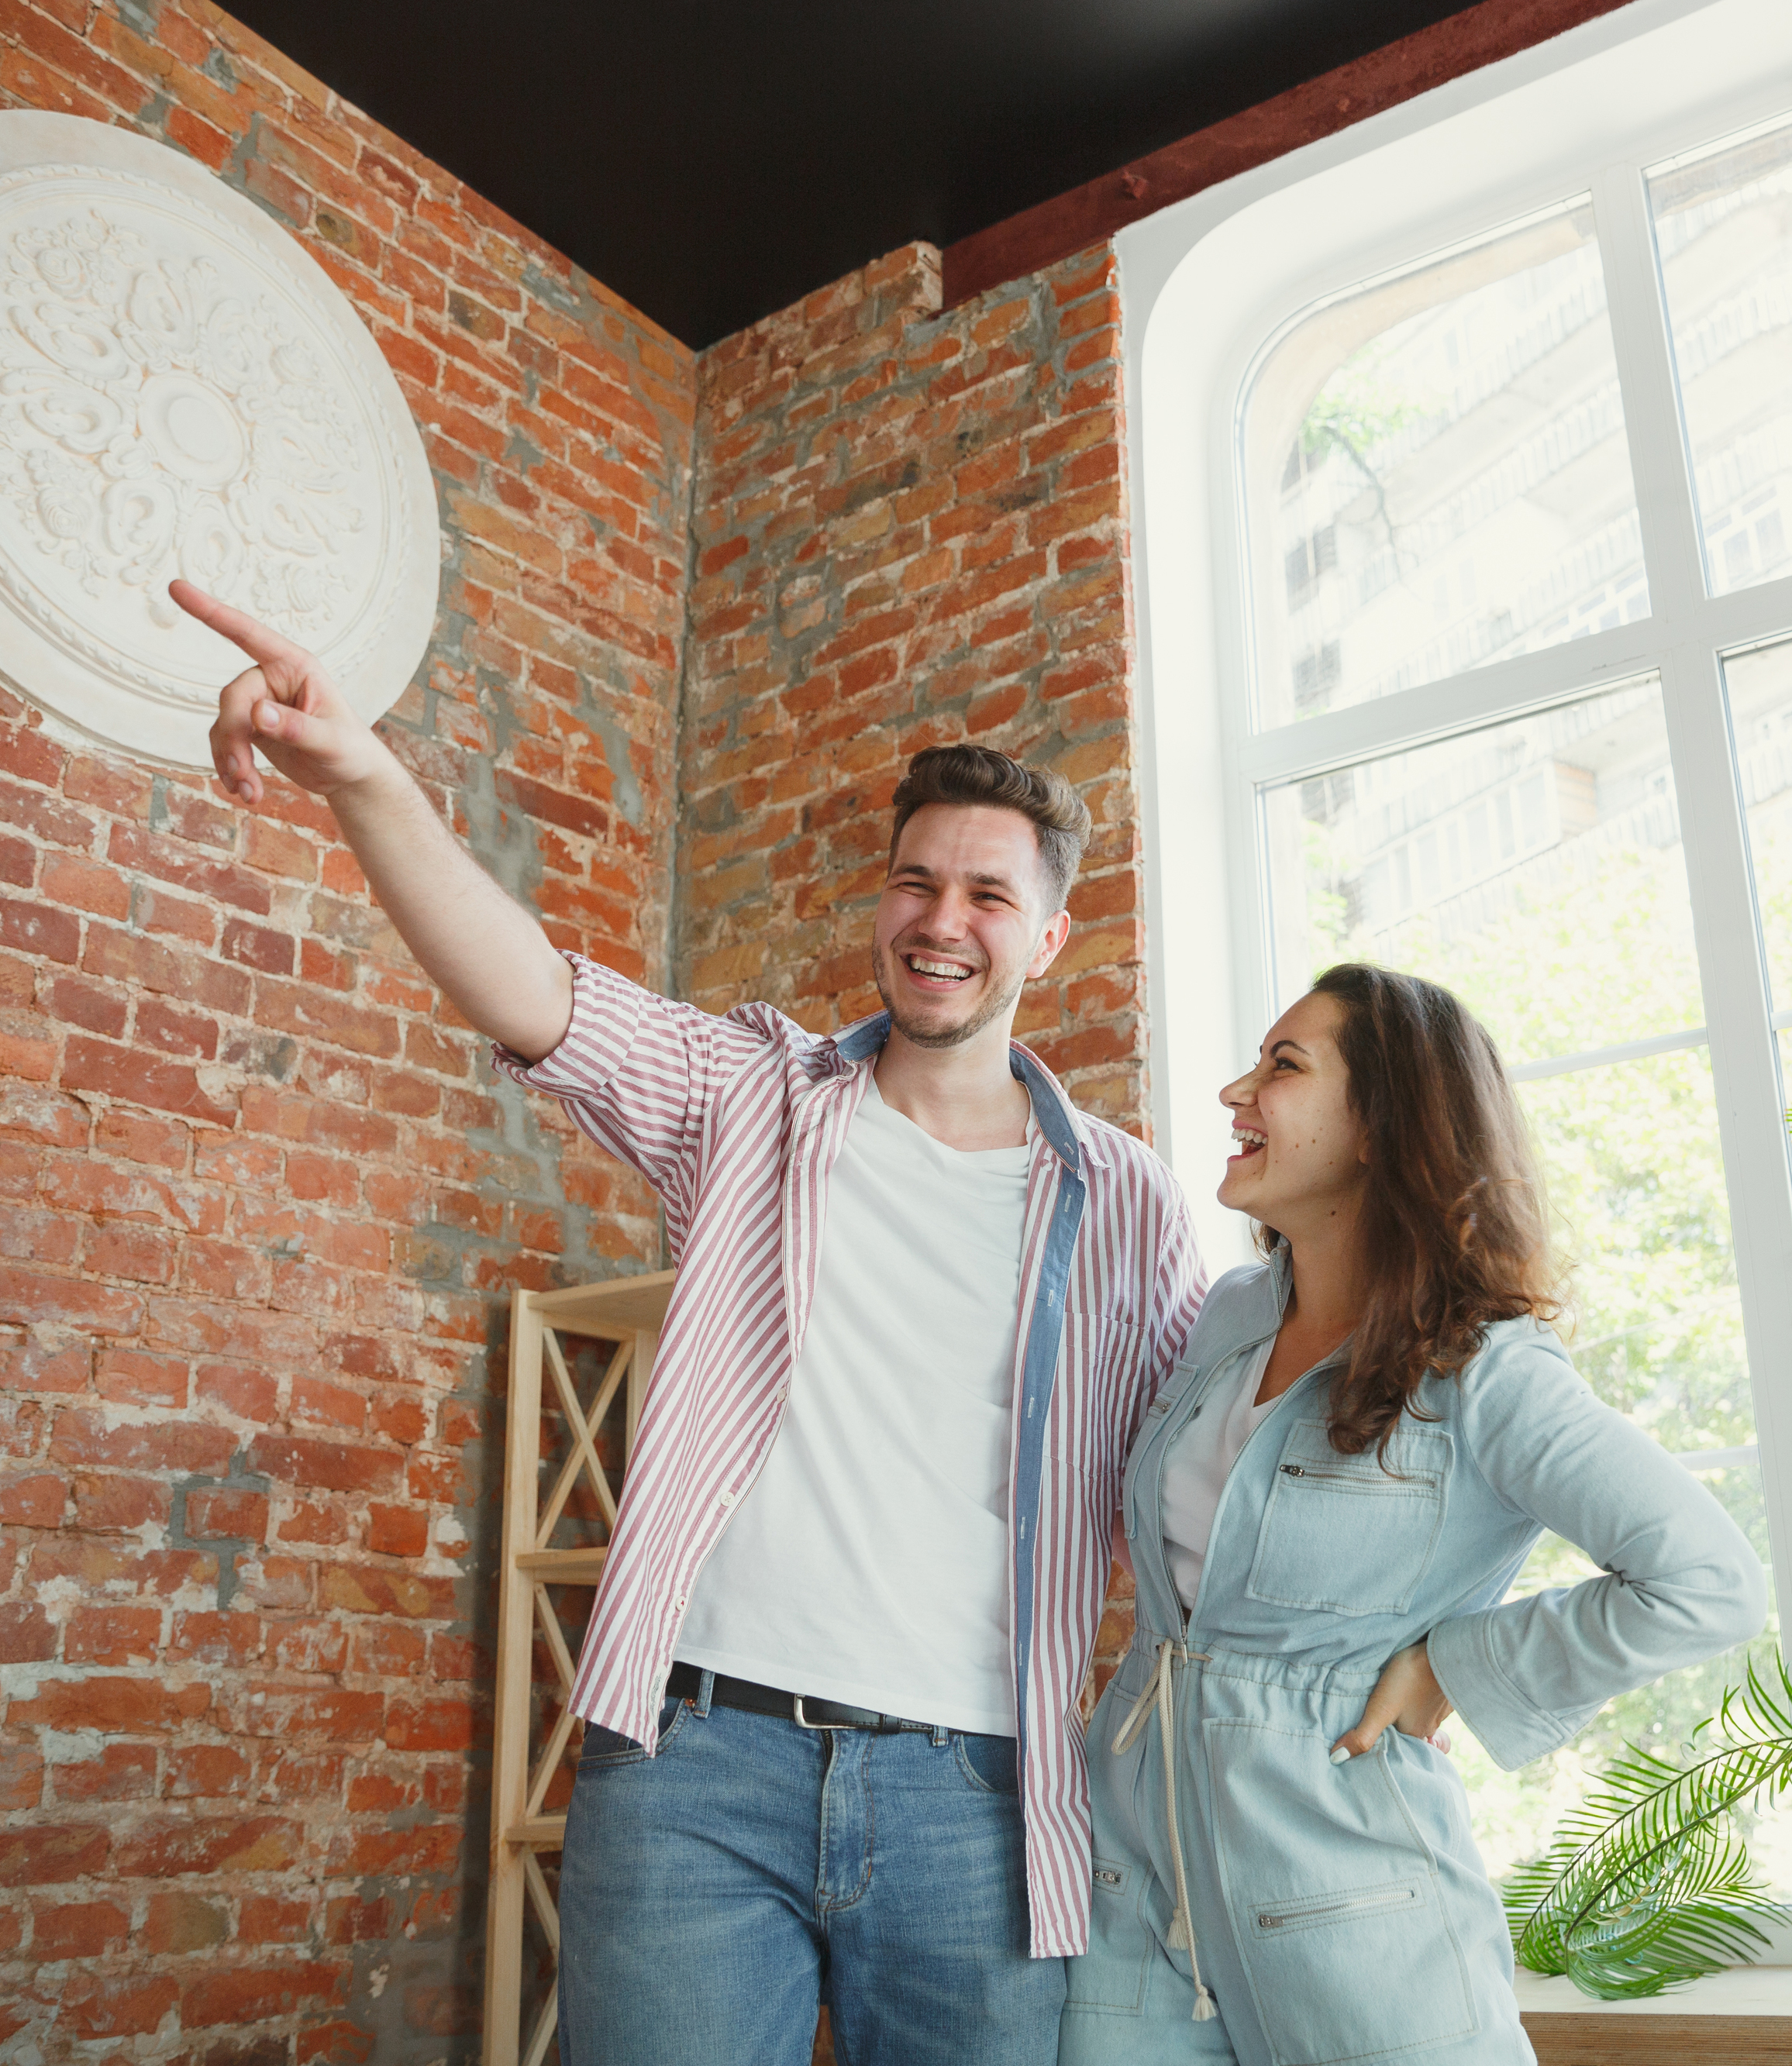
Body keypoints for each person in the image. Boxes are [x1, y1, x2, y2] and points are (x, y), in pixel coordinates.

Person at [177, 578, 1208, 2066]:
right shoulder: (752, 1101)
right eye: (917, 882)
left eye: (989, 895)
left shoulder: (1127, 1201)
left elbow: (1196, 1482)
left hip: (980, 1799)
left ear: (1049, 938)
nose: (941, 921)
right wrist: (364, 774)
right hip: (695, 1767)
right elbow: (536, 990)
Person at [1063, 963, 1767, 2064]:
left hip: (1359, 1927)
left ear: (1380, 1130)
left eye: (1283, 1066)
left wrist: (1455, 1662)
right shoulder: (1230, 1316)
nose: (1236, 1090)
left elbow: (1708, 1582)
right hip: (1139, 1909)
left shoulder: (1486, 1369)